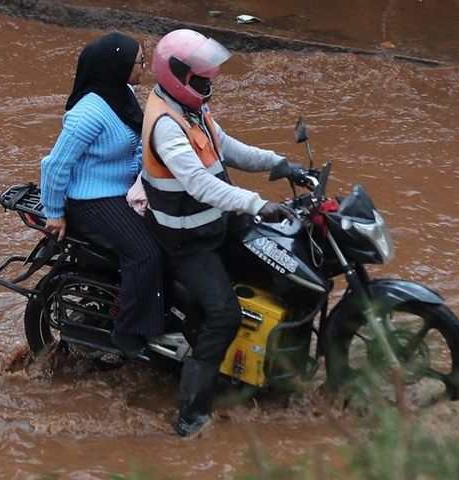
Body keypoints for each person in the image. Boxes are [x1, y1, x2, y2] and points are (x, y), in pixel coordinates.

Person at [140, 28, 306, 437]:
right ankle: (191, 415)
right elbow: (198, 183)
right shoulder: (166, 123)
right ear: (178, 76)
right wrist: (256, 203)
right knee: (224, 314)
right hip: (187, 238)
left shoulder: (190, 109)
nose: (208, 83)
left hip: (214, 221)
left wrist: (281, 164)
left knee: (278, 263)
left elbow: (226, 146)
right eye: (201, 78)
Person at [39, 33, 166, 361]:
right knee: (145, 252)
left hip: (122, 188)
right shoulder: (89, 113)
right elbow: (55, 165)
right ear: (118, 66)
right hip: (90, 200)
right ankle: (129, 331)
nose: (143, 68)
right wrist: (54, 211)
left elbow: (136, 143)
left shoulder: (122, 94)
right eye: (139, 62)